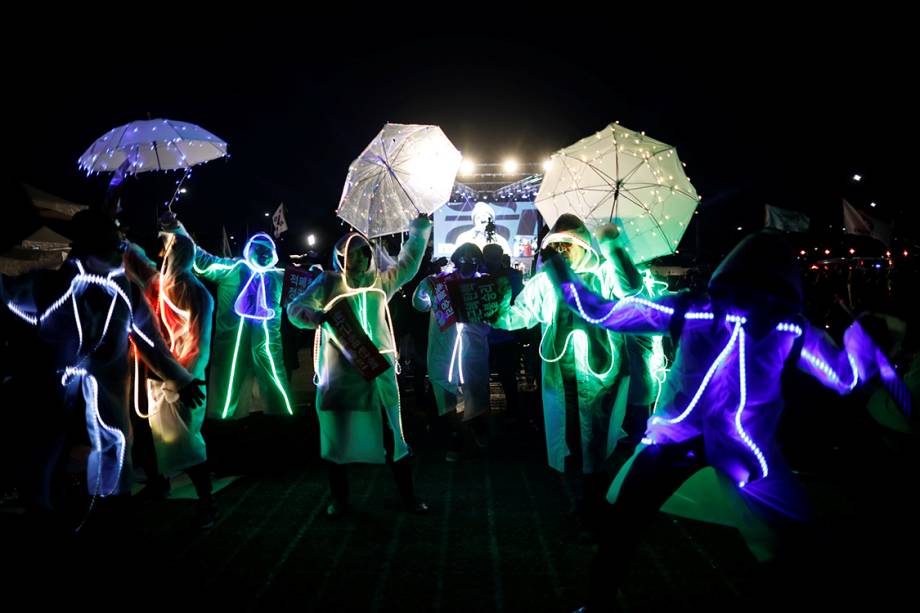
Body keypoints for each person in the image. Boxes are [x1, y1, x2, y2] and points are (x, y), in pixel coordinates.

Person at [544, 230, 911, 611]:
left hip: (676, 437)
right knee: (788, 533)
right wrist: (866, 339)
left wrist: (561, 275)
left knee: (626, 525)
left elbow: (603, 313)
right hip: (742, 446)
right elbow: (845, 378)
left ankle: (598, 603)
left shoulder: (698, 309)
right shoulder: (789, 326)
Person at [0, 209, 204, 509]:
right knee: (44, 452)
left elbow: (152, 344)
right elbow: (7, 293)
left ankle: (109, 510)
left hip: (105, 385)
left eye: (118, 241)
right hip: (51, 384)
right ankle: (42, 516)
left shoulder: (126, 291)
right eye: (112, 241)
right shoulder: (50, 285)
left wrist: (180, 379)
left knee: (114, 443)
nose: (120, 247)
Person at [491, 214, 641, 538]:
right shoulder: (548, 279)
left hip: (602, 375)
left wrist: (614, 246)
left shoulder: (604, 275)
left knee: (596, 440)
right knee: (574, 439)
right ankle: (588, 501)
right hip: (560, 375)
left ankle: (593, 505)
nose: (562, 251)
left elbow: (633, 288)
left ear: (582, 244)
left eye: (567, 245)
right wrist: (499, 316)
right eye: (557, 246)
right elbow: (523, 313)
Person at [286, 216, 432, 518]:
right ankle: (340, 500)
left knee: (394, 433)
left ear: (367, 254)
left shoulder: (382, 282)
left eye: (357, 254)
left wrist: (418, 231)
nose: (350, 261)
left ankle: (409, 498)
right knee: (338, 435)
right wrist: (314, 316)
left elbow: (409, 262)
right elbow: (294, 308)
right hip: (341, 374)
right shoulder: (328, 283)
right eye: (345, 256)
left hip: (378, 371)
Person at [124, 223, 217, 527]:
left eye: (168, 250)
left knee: (187, 443)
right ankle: (159, 484)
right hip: (160, 376)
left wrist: (184, 379)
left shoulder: (197, 293)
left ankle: (207, 503)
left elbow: (199, 344)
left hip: (182, 381)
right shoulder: (160, 286)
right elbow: (136, 263)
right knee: (155, 436)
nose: (162, 254)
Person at [168, 217, 293, 419]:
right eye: (258, 249)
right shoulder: (234, 269)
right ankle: (223, 424)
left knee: (275, 382)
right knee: (228, 385)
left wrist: (317, 275)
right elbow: (201, 260)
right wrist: (178, 229)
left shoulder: (280, 277)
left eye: (267, 250)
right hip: (232, 343)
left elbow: (310, 292)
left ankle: (282, 419)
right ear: (248, 250)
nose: (263, 254)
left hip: (268, 345)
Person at [412, 243, 491, 460]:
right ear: (456, 258)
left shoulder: (484, 283)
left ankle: (477, 428)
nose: (468, 261)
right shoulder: (439, 283)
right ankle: (455, 437)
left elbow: (494, 317)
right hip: (444, 350)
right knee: (446, 396)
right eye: (463, 257)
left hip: (472, 350)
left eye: (473, 257)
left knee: (474, 393)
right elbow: (420, 304)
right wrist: (425, 285)